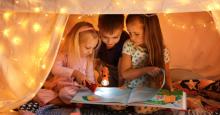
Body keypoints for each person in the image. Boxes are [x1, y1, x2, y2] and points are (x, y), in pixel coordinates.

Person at [120, 14, 172, 114]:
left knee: (140, 108)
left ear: (150, 31)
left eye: (136, 34)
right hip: (130, 89)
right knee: (113, 104)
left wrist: (169, 92)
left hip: (149, 91)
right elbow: (124, 74)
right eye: (129, 33)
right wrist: (146, 70)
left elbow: (167, 76)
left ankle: (161, 106)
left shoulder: (162, 51)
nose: (132, 38)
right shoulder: (128, 45)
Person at [51, 21, 100, 104]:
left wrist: (92, 86)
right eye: (88, 48)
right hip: (64, 87)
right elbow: (55, 69)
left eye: (93, 48)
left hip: (78, 89)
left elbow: (90, 78)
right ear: (75, 43)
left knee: (92, 92)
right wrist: (74, 73)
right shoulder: (64, 54)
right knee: (63, 93)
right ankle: (79, 103)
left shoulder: (88, 59)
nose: (91, 52)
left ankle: (77, 103)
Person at [96, 14, 129, 87]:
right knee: (106, 85)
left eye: (115, 37)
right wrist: (99, 69)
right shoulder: (96, 38)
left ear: (122, 29)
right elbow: (95, 60)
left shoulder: (125, 39)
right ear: (99, 28)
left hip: (121, 67)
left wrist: (120, 85)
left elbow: (122, 68)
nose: (110, 41)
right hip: (105, 67)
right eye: (105, 37)